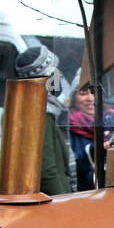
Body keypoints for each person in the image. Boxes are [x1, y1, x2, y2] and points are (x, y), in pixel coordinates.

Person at [14, 45, 72, 195]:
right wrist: (63, 201)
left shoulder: (33, 107)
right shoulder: (38, 110)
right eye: (55, 70)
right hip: (48, 200)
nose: (60, 75)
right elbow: (46, 170)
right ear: (46, 76)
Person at [69, 86, 114, 190]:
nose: (90, 98)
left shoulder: (112, 119)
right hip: (81, 192)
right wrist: (94, 150)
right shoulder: (66, 124)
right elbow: (69, 165)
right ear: (73, 98)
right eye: (83, 93)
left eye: (94, 93)